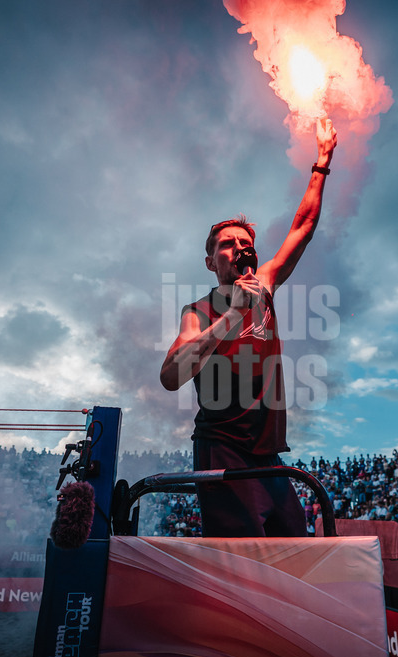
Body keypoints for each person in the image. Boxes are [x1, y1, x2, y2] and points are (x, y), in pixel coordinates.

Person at [159, 119, 338, 537]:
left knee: (296, 549)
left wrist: (323, 162)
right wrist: (232, 315)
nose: (239, 247)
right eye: (227, 243)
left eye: (244, 242)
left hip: (269, 455)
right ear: (210, 262)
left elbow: (303, 227)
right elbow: (170, 376)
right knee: (242, 562)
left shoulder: (266, 285)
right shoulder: (198, 310)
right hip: (222, 451)